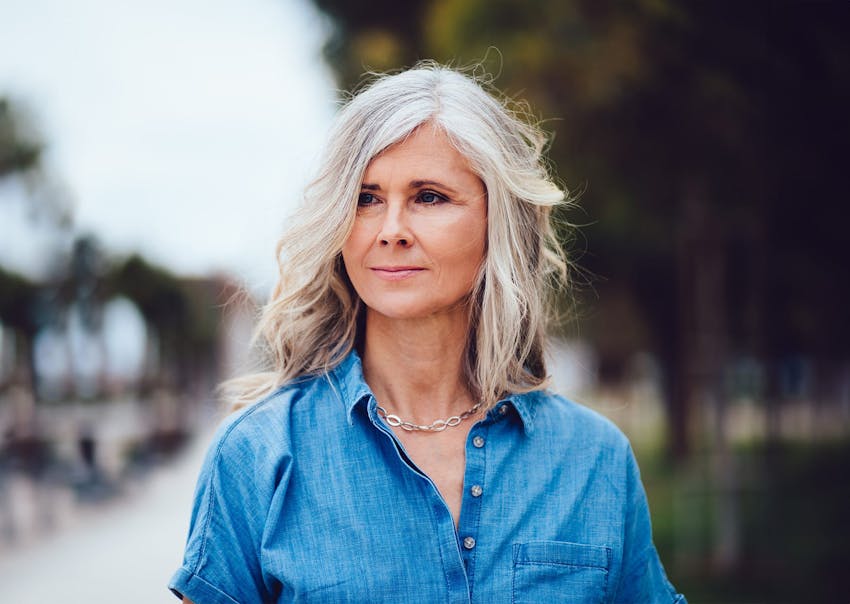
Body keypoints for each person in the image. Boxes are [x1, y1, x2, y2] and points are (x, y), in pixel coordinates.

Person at [169, 63, 686, 603]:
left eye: (429, 196)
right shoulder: (258, 455)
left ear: (498, 220)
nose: (391, 231)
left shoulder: (593, 459)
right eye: (367, 198)